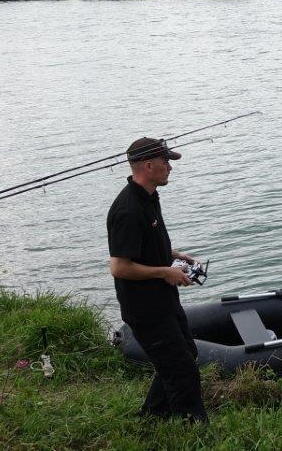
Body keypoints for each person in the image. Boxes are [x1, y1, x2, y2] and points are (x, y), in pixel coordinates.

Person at [107, 136, 208, 423]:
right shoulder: (127, 209)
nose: (170, 168)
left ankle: (152, 417)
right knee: (182, 370)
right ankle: (193, 428)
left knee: (185, 352)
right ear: (148, 166)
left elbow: (146, 246)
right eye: (165, 162)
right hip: (145, 307)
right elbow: (119, 267)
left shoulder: (148, 197)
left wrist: (177, 255)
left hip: (163, 299)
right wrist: (165, 272)